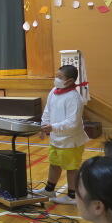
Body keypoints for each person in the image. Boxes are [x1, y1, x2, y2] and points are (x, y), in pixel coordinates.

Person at [38, 65, 89, 205]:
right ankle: (49, 190)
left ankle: (72, 196)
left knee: (71, 168)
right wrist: (44, 125)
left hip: (70, 140)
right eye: (56, 76)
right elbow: (47, 110)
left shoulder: (74, 98)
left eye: (60, 77)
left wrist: (53, 127)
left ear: (70, 81)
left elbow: (72, 123)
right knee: (54, 163)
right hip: (56, 138)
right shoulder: (53, 91)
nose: (56, 79)